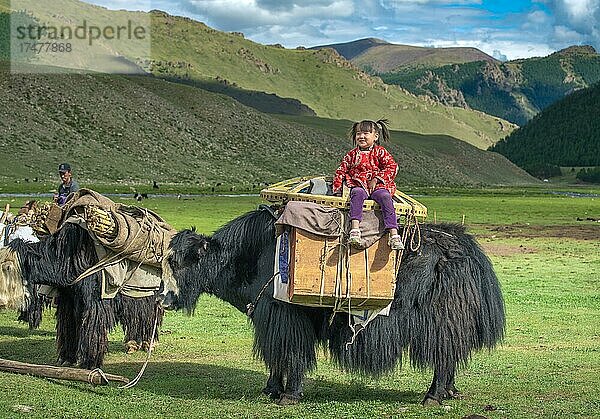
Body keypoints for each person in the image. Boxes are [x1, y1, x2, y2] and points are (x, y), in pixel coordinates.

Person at [332, 119, 403, 250]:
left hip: (377, 186)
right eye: (358, 133)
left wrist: (377, 178)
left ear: (375, 136)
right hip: (359, 185)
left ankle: (393, 234)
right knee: (357, 193)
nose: (361, 136)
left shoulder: (380, 152)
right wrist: (337, 188)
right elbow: (341, 170)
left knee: (386, 197)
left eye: (366, 133)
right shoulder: (351, 155)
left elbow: (392, 166)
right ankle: (355, 230)